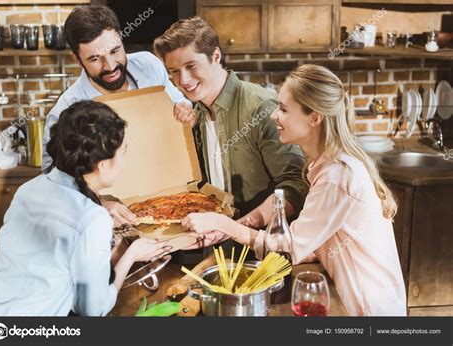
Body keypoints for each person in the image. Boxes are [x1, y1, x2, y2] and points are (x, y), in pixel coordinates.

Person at [182, 64, 406, 316]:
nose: (274, 115)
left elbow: (285, 250)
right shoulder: (326, 165)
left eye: (284, 109)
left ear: (314, 117)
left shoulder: (336, 176)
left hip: (370, 309)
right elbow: (320, 237)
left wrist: (223, 224)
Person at [0, 101, 171, 316]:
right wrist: (132, 253)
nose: (125, 161)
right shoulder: (93, 218)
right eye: (123, 151)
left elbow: (48, 266)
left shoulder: (28, 189)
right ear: (103, 164)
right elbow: (92, 310)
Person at [154, 17, 306, 248]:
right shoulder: (195, 114)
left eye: (191, 66)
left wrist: (236, 228)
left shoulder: (260, 107)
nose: (182, 80)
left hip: (264, 248)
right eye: (174, 71)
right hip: (216, 243)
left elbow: (295, 186)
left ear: (216, 56)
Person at [42, 4, 191, 226]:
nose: (110, 66)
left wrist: (184, 108)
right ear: (76, 59)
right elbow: (51, 180)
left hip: (167, 205)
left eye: (115, 51)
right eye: (94, 59)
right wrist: (98, 202)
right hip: (106, 220)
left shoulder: (149, 66)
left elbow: (179, 100)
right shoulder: (66, 110)